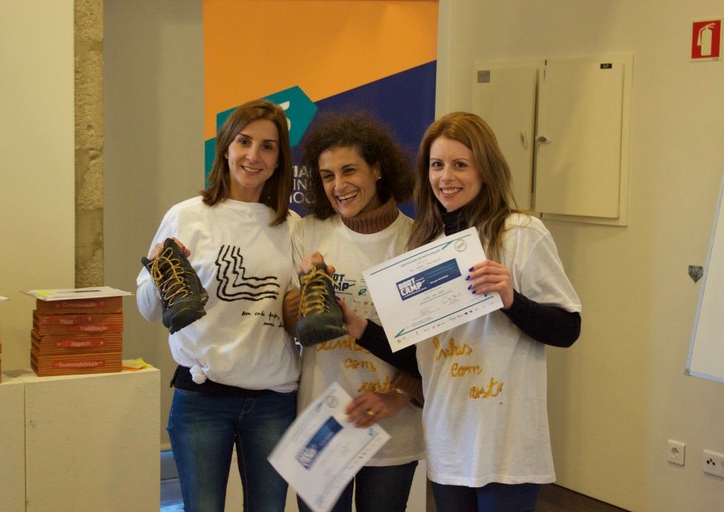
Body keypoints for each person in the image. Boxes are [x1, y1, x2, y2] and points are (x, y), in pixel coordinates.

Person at [339, 112, 582, 512]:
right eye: (437, 165)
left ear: (485, 169)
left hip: (506, 447)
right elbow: (425, 360)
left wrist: (511, 300)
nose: (446, 177)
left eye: (460, 165)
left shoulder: (521, 234)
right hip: (448, 443)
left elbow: (568, 329)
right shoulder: (425, 246)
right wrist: (361, 328)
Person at [136, 99, 300, 512]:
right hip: (201, 399)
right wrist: (158, 273)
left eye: (267, 146)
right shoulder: (187, 216)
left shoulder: (292, 226)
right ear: (225, 147)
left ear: (279, 160)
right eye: (244, 142)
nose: (253, 155)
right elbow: (148, 309)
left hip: (273, 400)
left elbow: (298, 319)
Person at [285, 112, 426, 512]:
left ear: (377, 169)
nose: (339, 186)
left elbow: (435, 342)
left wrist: (399, 395)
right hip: (322, 421)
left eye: (349, 171)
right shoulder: (309, 232)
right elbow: (291, 325)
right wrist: (306, 294)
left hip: (392, 423)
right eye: (327, 176)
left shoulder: (417, 240)